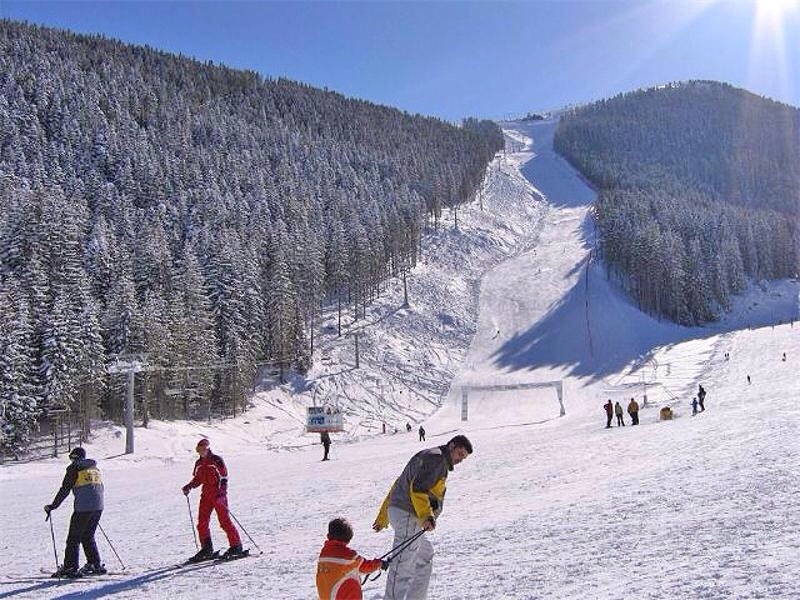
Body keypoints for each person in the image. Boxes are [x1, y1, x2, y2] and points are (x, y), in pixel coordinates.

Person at [372, 434, 473, 600]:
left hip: (403, 513)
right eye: (460, 454)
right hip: (408, 514)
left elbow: (400, 483)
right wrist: (426, 516)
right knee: (402, 566)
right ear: (452, 446)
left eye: (464, 457)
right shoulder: (437, 459)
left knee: (425, 556)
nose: (460, 460)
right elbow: (417, 488)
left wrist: (384, 516)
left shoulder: (430, 456)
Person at [44, 447, 106, 578]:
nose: (71, 461)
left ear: (75, 457)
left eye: (71, 458)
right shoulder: (94, 468)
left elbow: (65, 488)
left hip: (84, 508)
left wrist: (53, 506)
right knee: (88, 535)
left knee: (73, 538)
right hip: (98, 506)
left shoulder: (74, 468)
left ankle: (70, 567)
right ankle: (94, 564)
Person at [182, 439, 244, 561]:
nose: (201, 452)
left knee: (224, 521)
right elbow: (197, 479)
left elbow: (224, 477)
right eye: (198, 450)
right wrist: (189, 486)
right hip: (206, 496)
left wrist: (221, 493)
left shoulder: (216, 460)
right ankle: (207, 549)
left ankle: (236, 546)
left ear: (207, 448)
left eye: (203, 449)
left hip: (218, 495)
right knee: (202, 523)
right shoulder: (198, 463)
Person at [316, 517, 386, 600]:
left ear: (328, 536)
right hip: (343, 595)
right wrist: (379, 564)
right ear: (348, 538)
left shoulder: (324, 554)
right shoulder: (349, 556)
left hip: (325, 595)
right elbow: (365, 567)